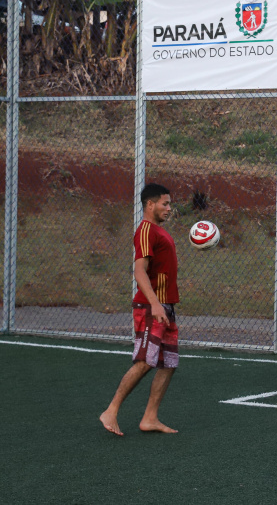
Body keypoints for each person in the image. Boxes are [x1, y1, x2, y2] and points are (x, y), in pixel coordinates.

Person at [99, 183, 181, 436]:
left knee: (168, 363)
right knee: (146, 360)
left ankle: (150, 418)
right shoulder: (146, 230)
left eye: (169, 204)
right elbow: (139, 270)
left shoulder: (158, 231)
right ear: (150, 205)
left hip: (164, 307)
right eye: (165, 204)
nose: (169, 208)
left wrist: (163, 305)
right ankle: (111, 410)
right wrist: (155, 303)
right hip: (150, 307)